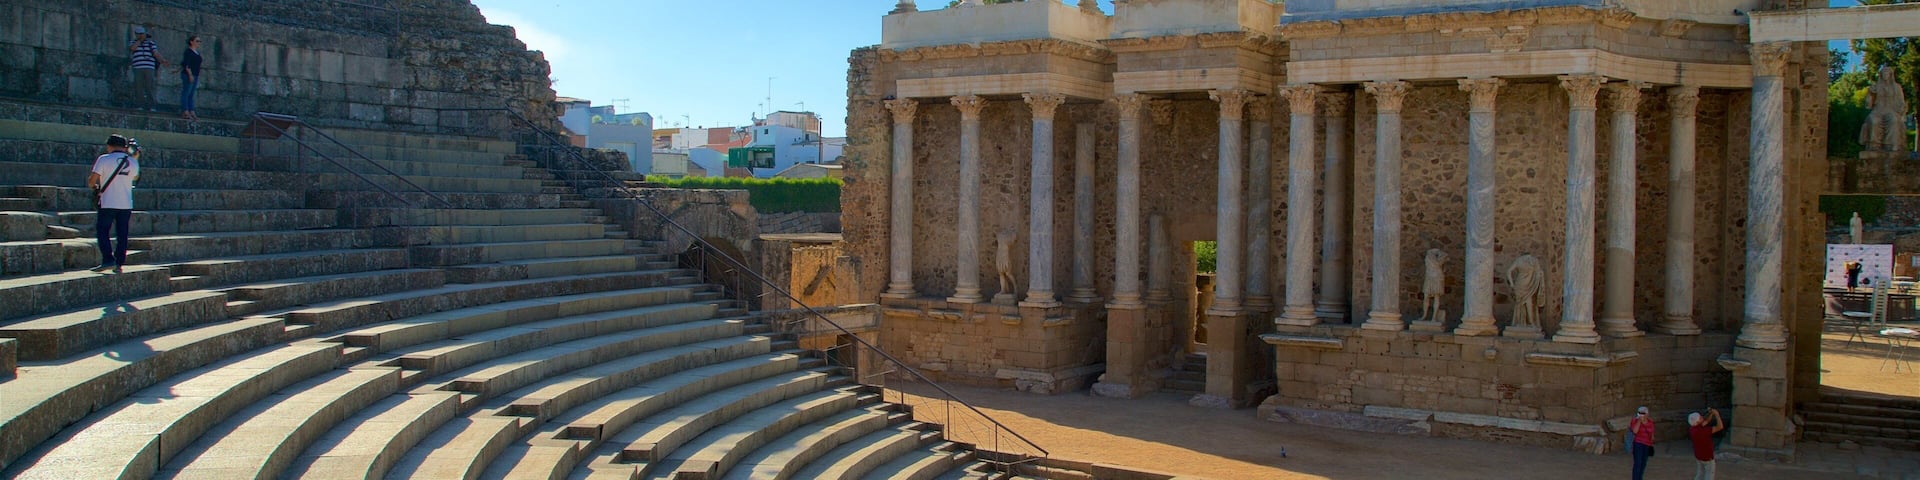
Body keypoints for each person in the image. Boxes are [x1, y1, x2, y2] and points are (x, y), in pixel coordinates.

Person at [88, 135, 140, 273]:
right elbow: (135, 177)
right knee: (122, 234)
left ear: (110, 146)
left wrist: (96, 187)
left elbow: (92, 181)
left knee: (103, 231)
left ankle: (107, 259)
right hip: (126, 203)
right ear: (125, 147)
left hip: (108, 201)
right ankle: (119, 263)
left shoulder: (104, 159)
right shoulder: (133, 162)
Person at [128, 26, 167, 111]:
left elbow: (156, 53)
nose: (141, 35)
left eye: (142, 34)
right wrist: (139, 41)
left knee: (150, 86)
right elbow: (132, 48)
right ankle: (139, 104)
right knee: (139, 86)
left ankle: (151, 105)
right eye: (139, 34)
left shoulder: (150, 43)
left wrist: (162, 60)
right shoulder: (133, 42)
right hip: (138, 67)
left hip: (149, 67)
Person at [1689, 408, 1725, 480]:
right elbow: (1720, 427)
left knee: (1700, 473)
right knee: (1709, 474)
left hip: (1698, 456)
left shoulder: (1692, 429)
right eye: (1700, 417)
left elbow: (1706, 421)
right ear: (1697, 421)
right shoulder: (1703, 431)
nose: (1702, 417)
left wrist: (1711, 413)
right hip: (1707, 456)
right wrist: (1717, 415)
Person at [177, 35, 202, 121]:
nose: (199, 43)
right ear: (191, 42)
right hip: (189, 74)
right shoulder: (188, 51)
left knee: (191, 94)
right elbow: (186, 64)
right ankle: (185, 111)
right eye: (197, 41)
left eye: (199, 41)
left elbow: (183, 63)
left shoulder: (197, 52)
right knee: (186, 93)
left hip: (195, 74)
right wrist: (190, 75)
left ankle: (191, 111)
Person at [1629, 405, 1655, 480]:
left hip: (1647, 444)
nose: (1642, 415)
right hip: (1638, 444)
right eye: (1640, 413)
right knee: (1638, 463)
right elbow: (1635, 431)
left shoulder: (1650, 422)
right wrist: (1639, 421)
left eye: (1643, 413)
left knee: (1643, 463)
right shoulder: (1634, 421)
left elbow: (1652, 434)